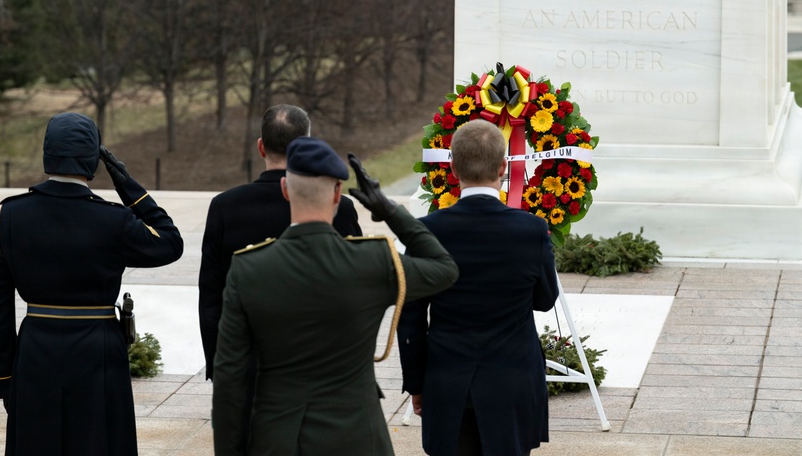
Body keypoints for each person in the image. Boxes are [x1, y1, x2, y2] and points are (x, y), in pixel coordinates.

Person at [211, 137, 459, 456]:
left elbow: (229, 377)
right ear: (338, 193)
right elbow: (444, 268)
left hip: (279, 439)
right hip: (358, 437)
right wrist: (389, 210)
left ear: (285, 189)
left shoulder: (248, 268)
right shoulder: (374, 260)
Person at [0, 112, 184, 456]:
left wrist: (6, 379)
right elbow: (170, 242)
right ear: (93, 160)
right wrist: (128, 186)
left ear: (47, 154)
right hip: (98, 352)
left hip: (36, 352)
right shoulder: (113, 218)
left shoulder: (7, 216)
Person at [397, 119, 559, 456]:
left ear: (453, 169)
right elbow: (545, 300)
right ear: (503, 167)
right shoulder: (531, 230)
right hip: (512, 379)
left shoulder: (426, 232)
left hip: (448, 380)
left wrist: (416, 383)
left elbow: (410, 317)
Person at [198, 104, 361, 379]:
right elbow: (356, 290)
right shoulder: (339, 207)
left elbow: (211, 296)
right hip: (320, 362)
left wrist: (218, 366)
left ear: (261, 147)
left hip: (246, 363)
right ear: (306, 146)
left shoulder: (224, 207)